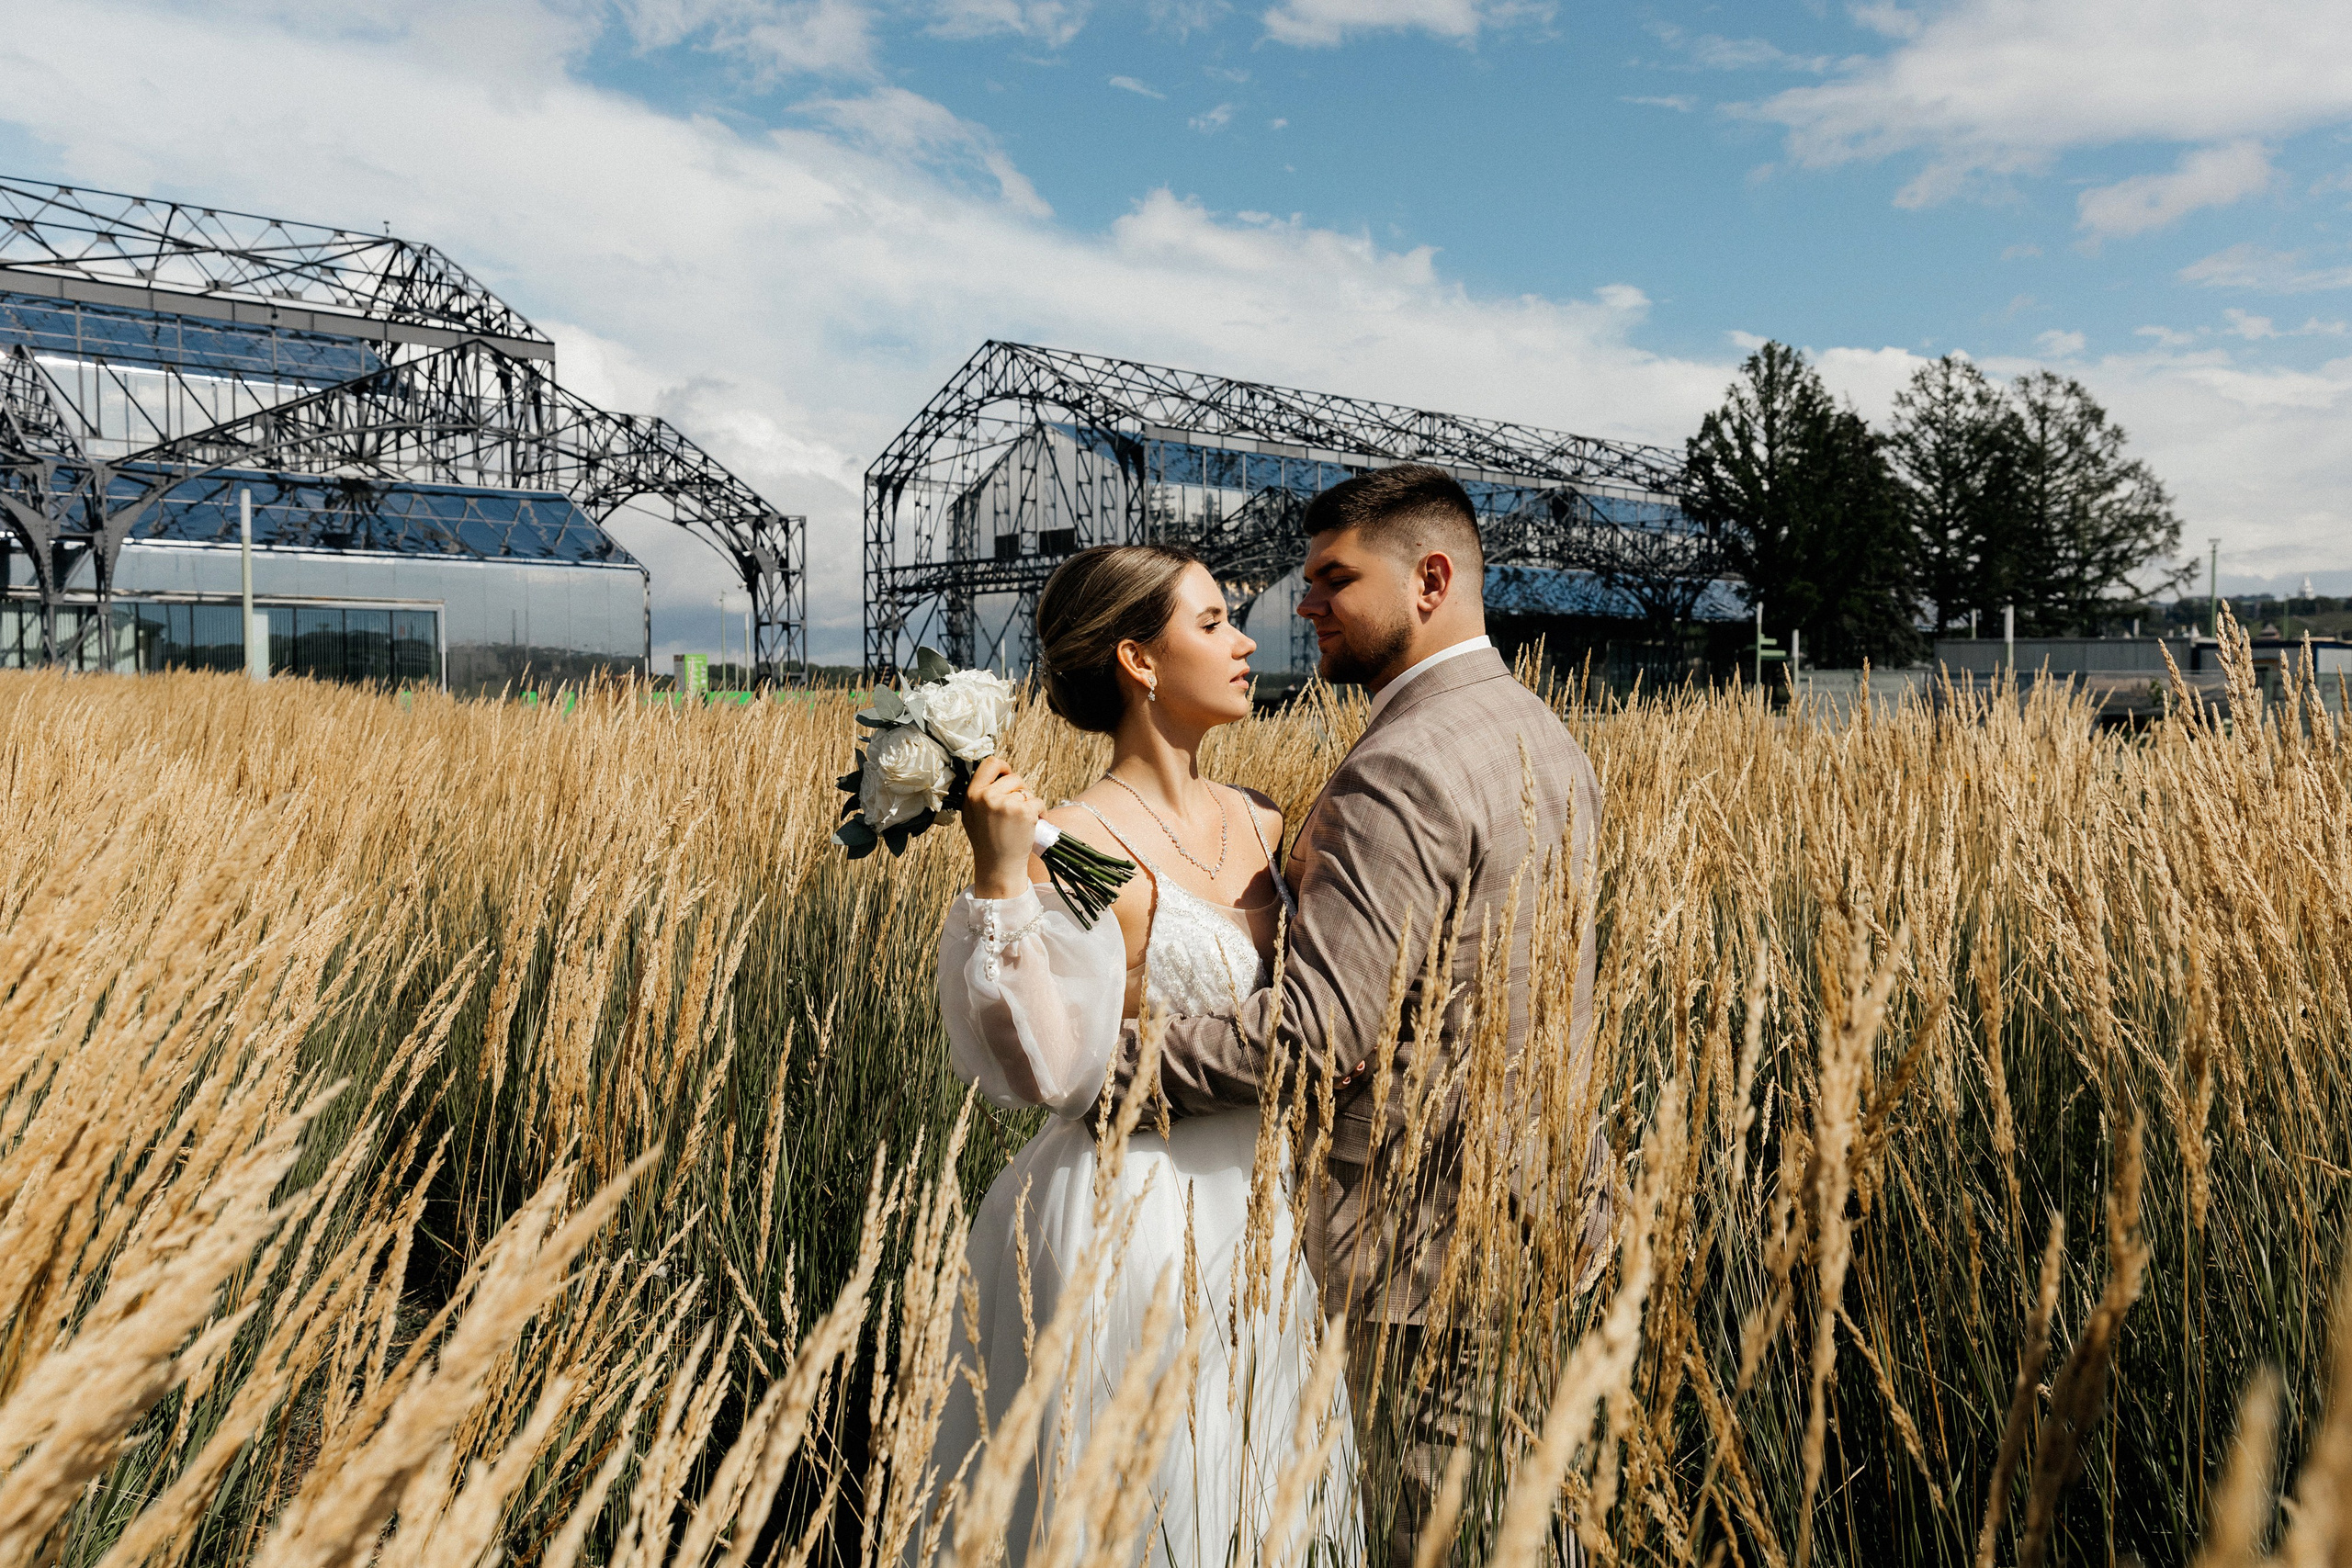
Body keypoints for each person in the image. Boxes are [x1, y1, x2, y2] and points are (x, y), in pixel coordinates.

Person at [1099, 464, 1607, 1566]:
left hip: (1420, 1247)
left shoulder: (1403, 764)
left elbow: (1319, 1030)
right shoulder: (1538, 734)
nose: (1301, 607)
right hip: (1540, 1215)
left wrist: (1110, 1068)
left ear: (1430, 578)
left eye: (1333, 579)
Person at [931, 544, 1363, 1566]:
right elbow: (1044, 1066)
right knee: (1156, 1500)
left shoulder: (1262, 819)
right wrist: (998, 876)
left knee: (1266, 1493)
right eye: (1212, 623)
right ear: (1139, 659)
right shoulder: (1076, 839)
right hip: (1142, 1214)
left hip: (1270, 1211)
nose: (1246, 641)